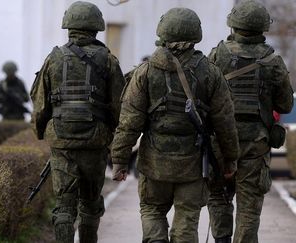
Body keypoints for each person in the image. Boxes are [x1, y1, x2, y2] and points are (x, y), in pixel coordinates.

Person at [111, 8, 240, 243]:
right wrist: (230, 159)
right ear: (196, 34)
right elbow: (224, 122)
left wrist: (119, 159)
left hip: (154, 163)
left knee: (152, 210)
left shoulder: (145, 72)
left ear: (163, 33)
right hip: (192, 164)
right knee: (187, 219)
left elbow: (129, 121)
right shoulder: (211, 73)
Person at [30, 1, 125, 242]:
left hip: (62, 142)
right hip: (95, 142)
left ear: (68, 26)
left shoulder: (53, 58)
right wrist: (113, 135)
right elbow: (119, 105)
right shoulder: (108, 60)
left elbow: (40, 102)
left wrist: (42, 132)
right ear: (96, 28)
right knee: (90, 204)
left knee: (64, 206)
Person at [207, 1, 294, 242]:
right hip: (256, 145)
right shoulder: (272, 61)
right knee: (249, 206)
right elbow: (286, 104)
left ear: (233, 24)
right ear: (262, 28)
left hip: (220, 143)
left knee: (218, 197)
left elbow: (203, 96)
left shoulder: (217, 55)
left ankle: (221, 239)